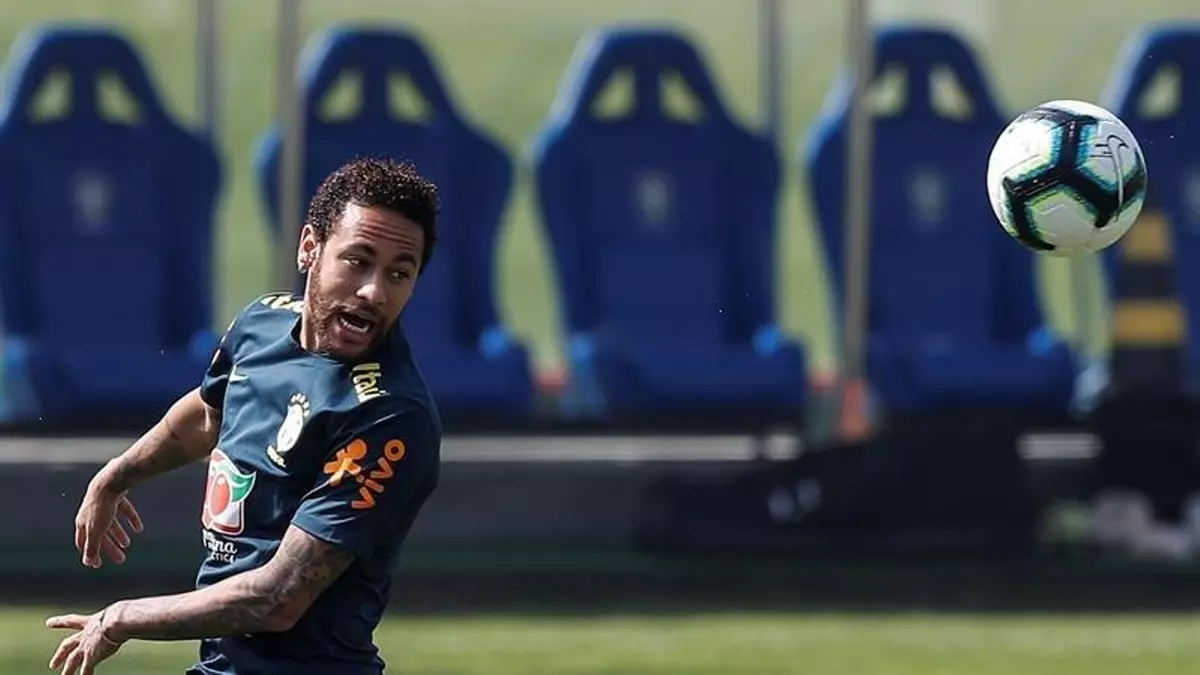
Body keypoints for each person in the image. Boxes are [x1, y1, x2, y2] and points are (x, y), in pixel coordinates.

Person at [45, 157, 444, 675]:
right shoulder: (262, 323)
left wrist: (121, 618)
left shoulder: (388, 416)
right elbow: (208, 414)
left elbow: (279, 598)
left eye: (399, 273)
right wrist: (117, 475)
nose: (374, 291)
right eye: (357, 261)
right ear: (309, 248)